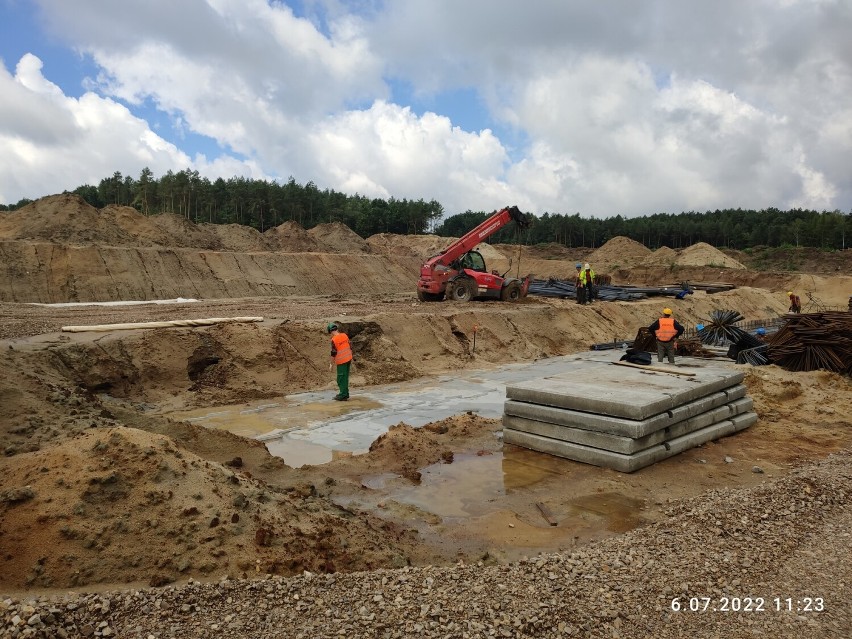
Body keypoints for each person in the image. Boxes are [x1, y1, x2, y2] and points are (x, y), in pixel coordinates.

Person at [327, 322, 352, 401]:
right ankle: (345, 393)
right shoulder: (344, 335)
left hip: (342, 360)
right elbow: (349, 346)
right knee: (345, 377)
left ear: (330, 331)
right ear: (336, 329)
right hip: (348, 358)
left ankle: (343, 395)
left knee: (341, 378)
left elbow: (333, 353)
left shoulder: (334, 339)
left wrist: (331, 364)